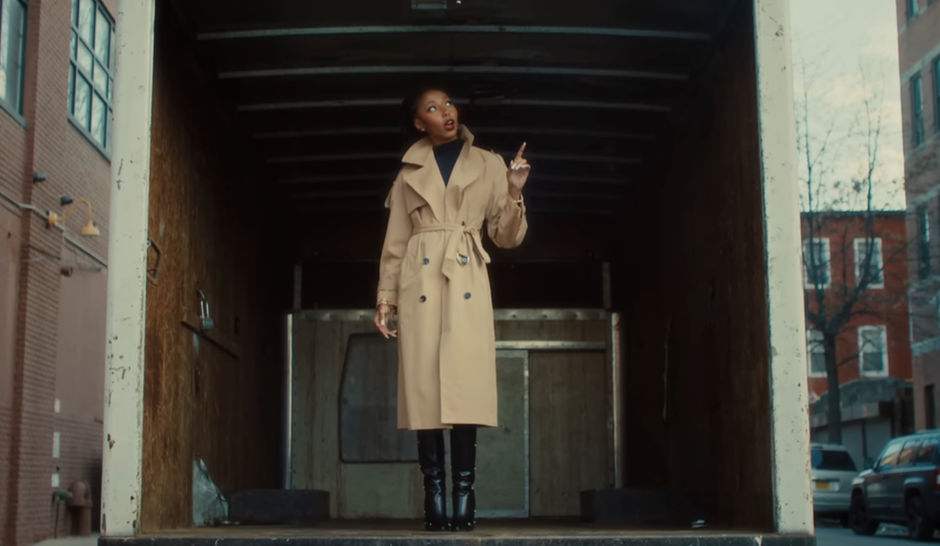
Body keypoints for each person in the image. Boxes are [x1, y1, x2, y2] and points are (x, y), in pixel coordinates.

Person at [373, 87, 530, 531]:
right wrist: (385, 299)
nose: (446, 112)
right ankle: (435, 496)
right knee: (424, 389)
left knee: (464, 388)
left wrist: (514, 191)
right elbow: (396, 242)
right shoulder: (408, 172)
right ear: (418, 123)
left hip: (465, 274)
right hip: (420, 279)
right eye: (432, 108)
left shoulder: (489, 163)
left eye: (448, 104)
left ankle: (464, 494)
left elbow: (505, 237)